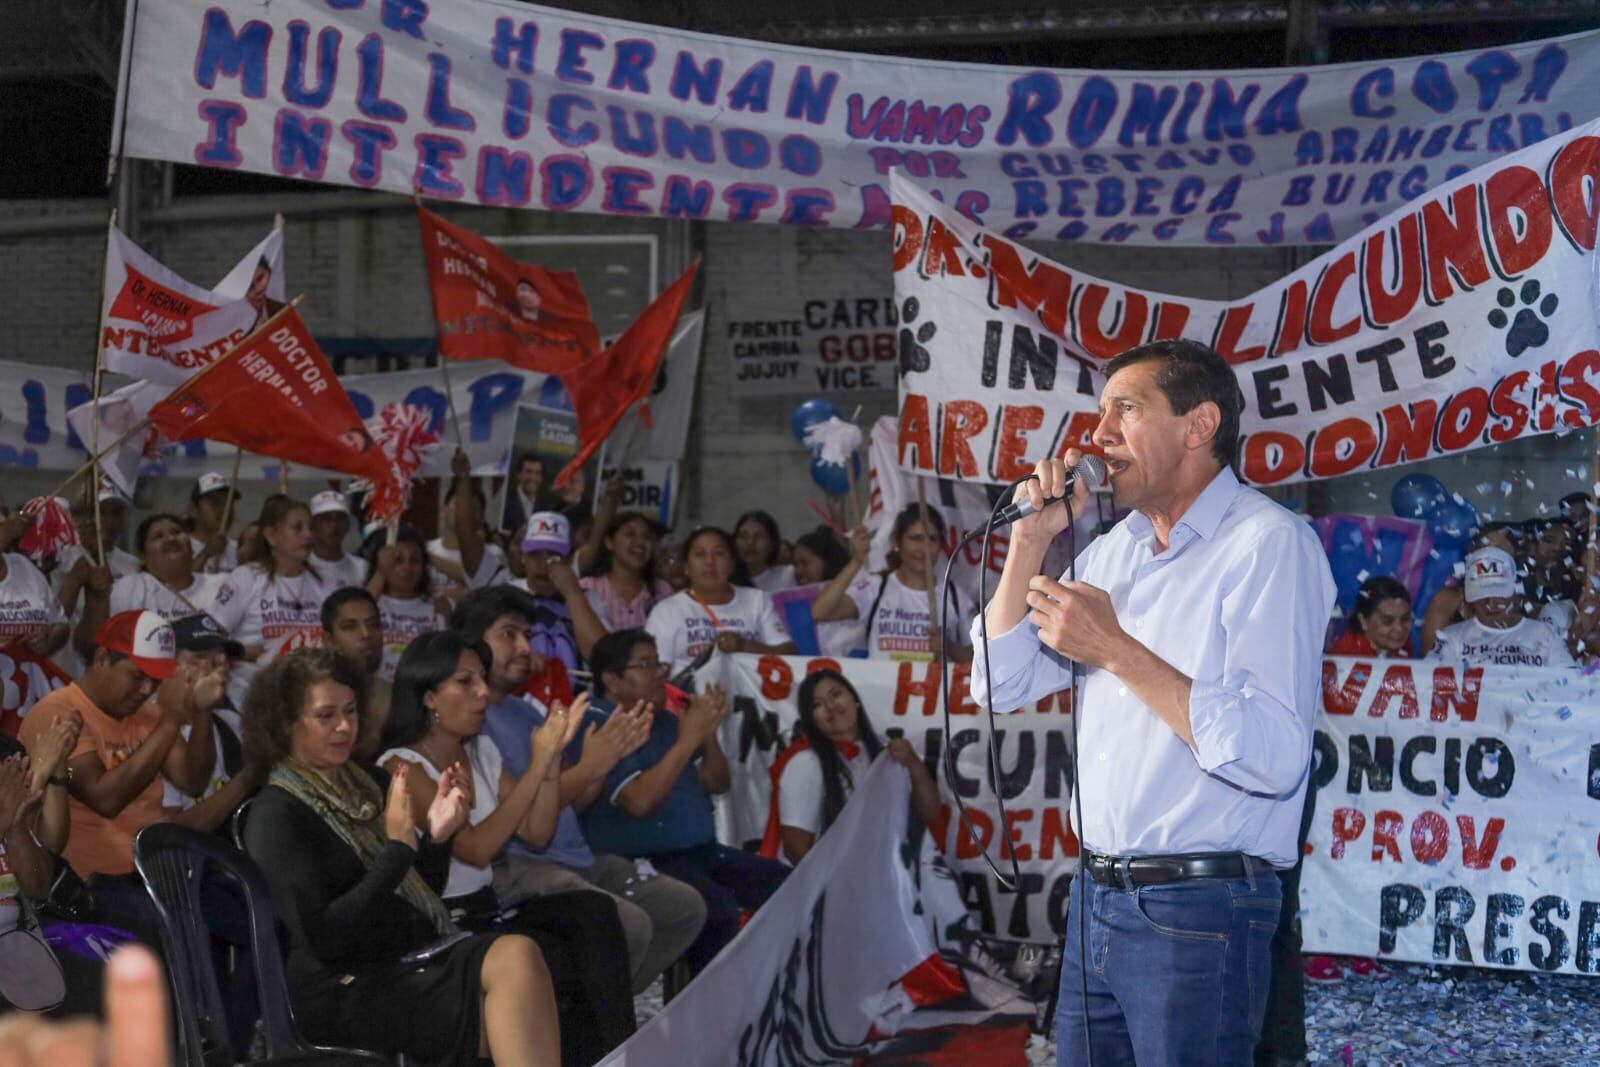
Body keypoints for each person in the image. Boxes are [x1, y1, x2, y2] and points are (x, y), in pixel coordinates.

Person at [971, 339, 1336, 1066]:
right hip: (1097, 899)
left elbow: (1273, 754)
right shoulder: (1116, 550)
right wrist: (1031, 542)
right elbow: (998, 683)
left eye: (1125, 410)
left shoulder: (1268, 545)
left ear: (1198, 426)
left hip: (1200, 908)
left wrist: (1115, 649)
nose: (1098, 435)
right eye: (1101, 411)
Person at [240, 649, 560, 1066]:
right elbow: (326, 939)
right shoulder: (275, 814)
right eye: (325, 716)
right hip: (341, 986)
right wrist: (396, 850)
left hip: (403, 959)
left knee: (522, 963)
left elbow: (418, 890)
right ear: (285, 725)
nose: (344, 726)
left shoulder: (368, 781)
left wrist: (439, 837)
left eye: (351, 711)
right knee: (517, 979)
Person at [378, 632, 635, 1064]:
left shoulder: (480, 750)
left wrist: (550, 762)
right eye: (465, 682)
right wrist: (537, 766)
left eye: (482, 679)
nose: (482, 693)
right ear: (428, 697)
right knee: (559, 961)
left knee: (592, 913)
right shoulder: (401, 765)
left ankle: (616, 1056)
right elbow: (475, 849)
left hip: (487, 908)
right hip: (443, 921)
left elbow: (537, 831)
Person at [452, 589, 706, 995]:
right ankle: (593, 1024)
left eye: (526, 635)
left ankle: (598, 1012)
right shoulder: (469, 721)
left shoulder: (524, 711)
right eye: (509, 635)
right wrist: (590, 765)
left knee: (684, 908)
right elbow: (522, 819)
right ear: (471, 642)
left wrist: (603, 763)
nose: (523, 648)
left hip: (574, 855)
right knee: (630, 924)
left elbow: (576, 801)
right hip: (521, 864)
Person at [583, 629, 790, 973]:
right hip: (643, 856)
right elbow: (639, 803)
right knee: (718, 910)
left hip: (700, 850)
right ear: (612, 680)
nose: (659, 674)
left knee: (786, 886)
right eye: (645, 665)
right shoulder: (599, 721)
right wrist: (688, 738)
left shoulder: (663, 720)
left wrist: (705, 733)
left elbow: (716, 782)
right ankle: (704, 1013)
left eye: (658, 663)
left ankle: (763, 995)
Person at [16, 613, 219, 906]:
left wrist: (202, 711)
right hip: (94, 890)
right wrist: (172, 720)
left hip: (158, 875)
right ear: (101, 658)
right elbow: (105, 799)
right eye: (138, 676)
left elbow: (193, 780)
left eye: (156, 681)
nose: (147, 690)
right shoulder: (59, 713)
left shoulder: (150, 717)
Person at [763, 668, 939, 865]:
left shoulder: (885, 749)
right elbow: (796, 849)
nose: (831, 706)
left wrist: (914, 764)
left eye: (836, 694)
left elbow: (930, 812)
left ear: (855, 700)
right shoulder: (805, 763)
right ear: (811, 720)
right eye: (817, 705)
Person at [208, 496, 343, 705]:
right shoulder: (246, 577)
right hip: (248, 698)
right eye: (297, 528)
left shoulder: (326, 584)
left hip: (308, 699)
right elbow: (210, 638)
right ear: (271, 535)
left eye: (310, 527)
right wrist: (246, 652)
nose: (308, 536)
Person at [812, 509, 973, 663]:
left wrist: (950, 648)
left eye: (932, 539)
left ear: (940, 546)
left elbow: (982, 656)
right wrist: (856, 561)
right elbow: (820, 612)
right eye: (915, 538)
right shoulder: (876, 588)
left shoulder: (955, 596)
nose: (924, 548)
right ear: (897, 542)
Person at [645, 527, 795, 666]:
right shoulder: (666, 611)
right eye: (700, 554)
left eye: (718, 553)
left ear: (731, 565)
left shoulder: (758, 600)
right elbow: (654, 670)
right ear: (686, 567)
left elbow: (790, 654)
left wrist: (744, 646)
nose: (709, 562)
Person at [1428, 546, 1576, 667]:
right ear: (1470, 600)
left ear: (1514, 592)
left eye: (1498, 594)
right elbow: (1430, 685)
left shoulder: (1545, 634)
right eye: (1482, 597)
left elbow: (1570, 685)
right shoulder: (1450, 638)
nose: (1491, 604)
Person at [510, 512, 608, 672]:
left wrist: (571, 592)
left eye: (553, 556)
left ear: (569, 560)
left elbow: (602, 657)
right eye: (535, 555)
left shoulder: (588, 597)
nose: (543, 564)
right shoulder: (506, 594)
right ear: (523, 557)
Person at [362, 525, 447, 682]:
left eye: (415, 561)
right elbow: (355, 611)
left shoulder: (436, 607)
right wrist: (381, 572)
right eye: (397, 560)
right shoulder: (371, 601)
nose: (407, 567)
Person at [319, 587, 391, 758]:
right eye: (350, 627)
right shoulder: (312, 695)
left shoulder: (393, 696)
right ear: (329, 640)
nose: (365, 634)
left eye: (373, 624)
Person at [431, 451, 511, 591]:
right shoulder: (427, 548)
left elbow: (474, 575)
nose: (466, 513)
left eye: (474, 508)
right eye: (459, 506)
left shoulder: (493, 554)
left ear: (482, 516)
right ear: (443, 510)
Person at [579, 511, 672, 631]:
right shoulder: (587, 588)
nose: (640, 542)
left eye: (646, 537)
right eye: (630, 534)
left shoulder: (662, 590)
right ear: (609, 542)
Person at [788, 527, 865, 658]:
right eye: (795, 565)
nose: (798, 571)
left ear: (827, 560)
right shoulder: (791, 602)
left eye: (805, 563)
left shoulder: (856, 590)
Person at [1329, 576, 1415, 658]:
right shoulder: (1345, 656)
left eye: (1405, 619)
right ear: (1363, 621)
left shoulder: (1403, 646)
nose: (1399, 628)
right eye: (1388, 621)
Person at [308, 491, 367, 590]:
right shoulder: (299, 567)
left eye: (340, 518)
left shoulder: (362, 568)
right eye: (326, 518)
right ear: (312, 524)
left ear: (347, 525)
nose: (334, 525)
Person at [188, 472, 240, 575]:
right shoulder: (180, 546)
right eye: (215, 502)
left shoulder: (239, 550)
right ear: (193, 509)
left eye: (229, 503)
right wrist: (205, 554)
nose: (225, 509)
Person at [733, 511, 794, 593]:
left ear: (772, 544)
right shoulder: (725, 581)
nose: (750, 542)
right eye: (743, 536)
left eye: (759, 536)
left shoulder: (789, 576)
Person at [503, 453, 546, 535]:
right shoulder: (505, 501)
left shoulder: (546, 508)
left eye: (537, 473)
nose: (533, 477)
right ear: (518, 475)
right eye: (528, 472)